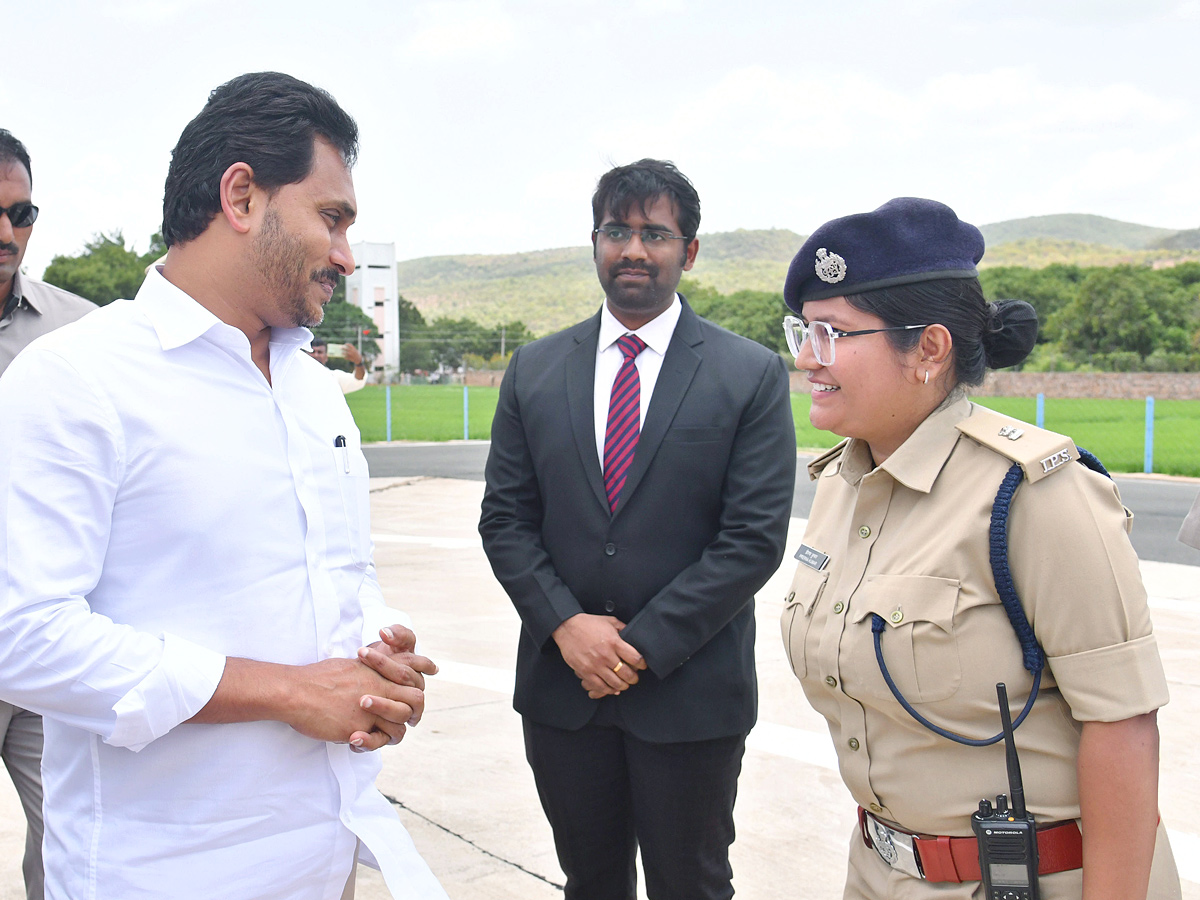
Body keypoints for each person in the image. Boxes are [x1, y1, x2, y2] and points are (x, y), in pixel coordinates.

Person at [0, 73, 447, 900]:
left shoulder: (313, 389)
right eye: (333, 217)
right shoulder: (76, 380)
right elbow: (21, 638)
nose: (347, 255)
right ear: (241, 195)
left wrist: (380, 652)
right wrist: (284, 692)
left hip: (324, 857)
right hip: (159, 874)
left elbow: (339, 571)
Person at [779, 197, 1180, 900]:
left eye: (833, 334)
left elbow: (1122, 728)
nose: (808, 358)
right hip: (877, 872)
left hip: (1028, 882)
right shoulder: (842, 484)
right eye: (802, 332)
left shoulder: (1033, 497)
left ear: (929, 350)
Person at [478, 159, 796, 900]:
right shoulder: (535, 370)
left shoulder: (746, 374)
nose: (633, 249)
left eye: (655, 233)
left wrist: (636, 649)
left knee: (692, 885)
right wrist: (567, 629)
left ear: (688, 251)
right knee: (590, 883)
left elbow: (751, 539)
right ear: (594, 242)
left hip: (690, 697)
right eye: (616, 231)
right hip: (564, 695)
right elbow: (506, 519)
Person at [0, 129, 95, 900]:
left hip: (51, 634)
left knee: (72, 837)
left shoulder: (82, 334)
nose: (6, 234)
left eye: (21, 212)